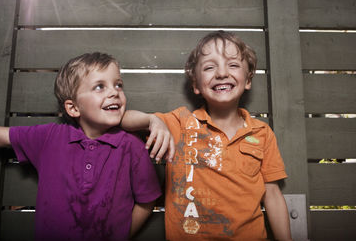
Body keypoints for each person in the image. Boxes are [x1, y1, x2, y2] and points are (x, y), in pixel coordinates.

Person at [0, 52, 163, 241]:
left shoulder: (133, 146)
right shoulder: (49, 137)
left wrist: (122, 235)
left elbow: (147, 201)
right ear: (73, 108)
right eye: (100, 86)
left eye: (118, 84)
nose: (114, 92)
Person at [121, 31, 292, 240]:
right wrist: (151, 120)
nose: (221, 73)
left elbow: (273, 195)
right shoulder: (180, 123)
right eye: (210, 67)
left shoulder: (262, 133)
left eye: (233, 65)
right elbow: (123, 119)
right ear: (195, 85)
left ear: (248, 80)